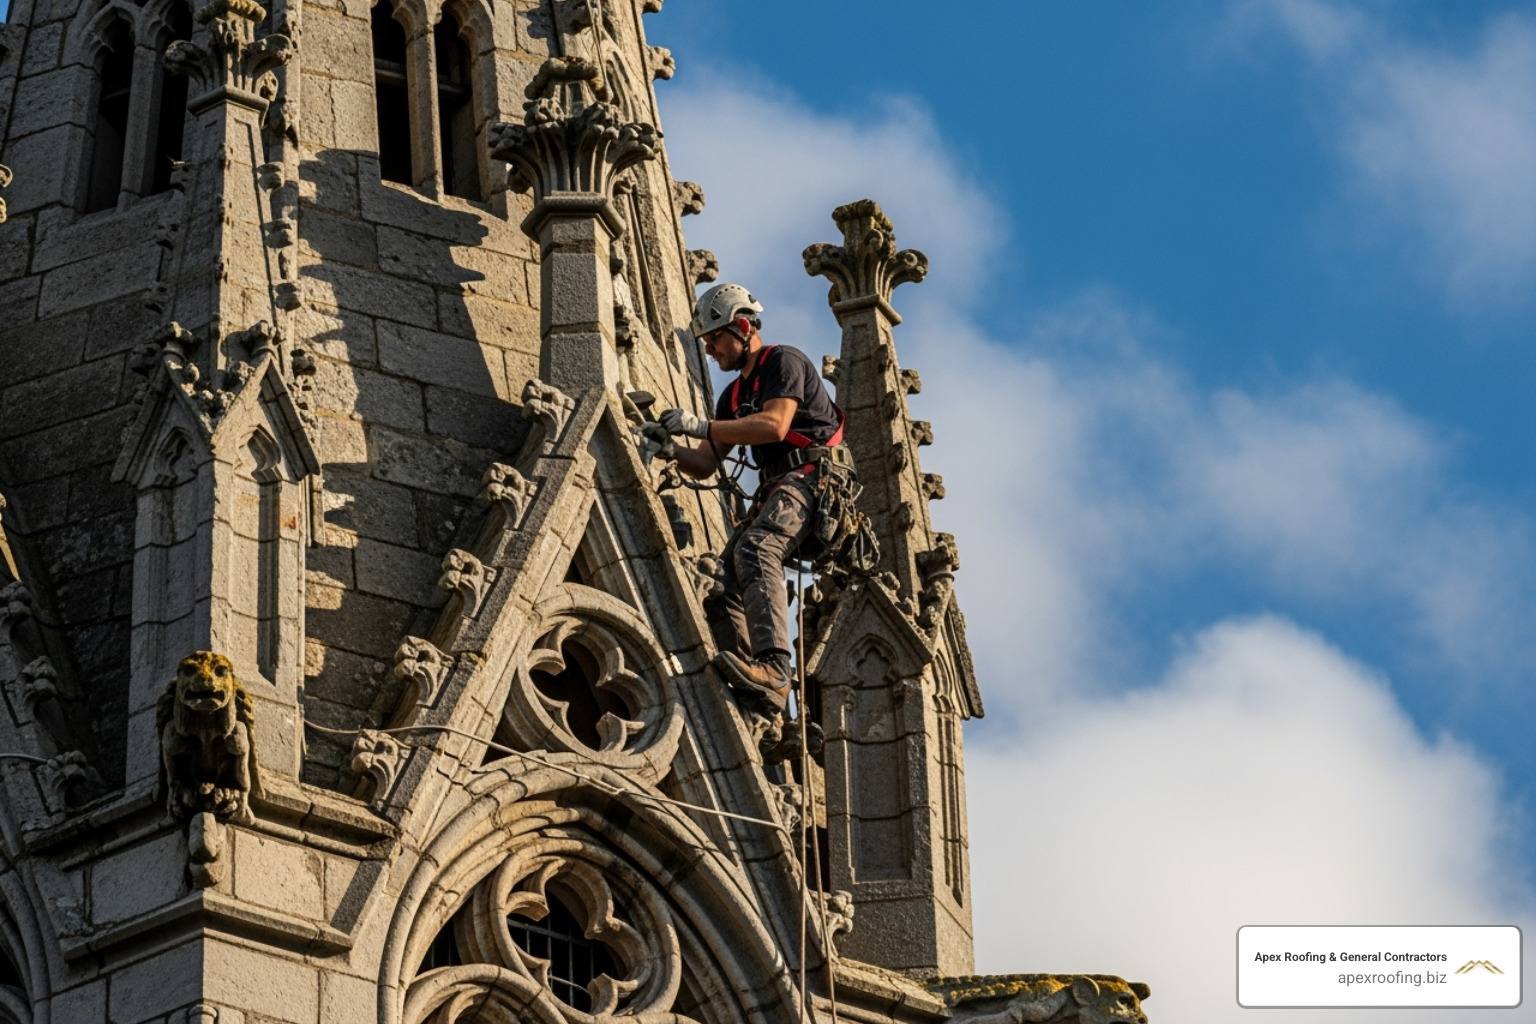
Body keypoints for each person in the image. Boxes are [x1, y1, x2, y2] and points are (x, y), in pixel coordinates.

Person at [656, 282, 850, 711]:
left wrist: (698, 425)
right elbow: (707, 462)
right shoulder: (733, 396)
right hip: (779, 489)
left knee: (758, 547)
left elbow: (775, 426)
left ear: (743, 327)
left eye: (715, 338)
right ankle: (756, 687)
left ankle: (776, 668)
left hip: (811, 480)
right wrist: (669, 449)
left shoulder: (783, 361)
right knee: (724, 585)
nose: (710, 351)